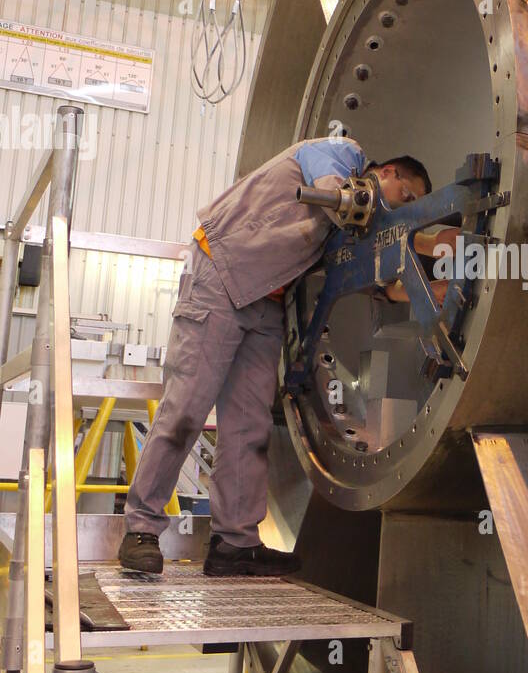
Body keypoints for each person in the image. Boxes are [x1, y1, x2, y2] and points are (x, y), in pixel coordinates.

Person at [119, 136, 446, 577]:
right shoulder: (341, 154)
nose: (402, 207)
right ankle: (141, 528)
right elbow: (326, 179)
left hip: (266, 303)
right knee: (186, 410)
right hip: (220, 274)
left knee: (249, 425)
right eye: (406, 197)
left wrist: (442, 267)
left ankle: (234, 543)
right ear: (387, 172)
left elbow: (379, 281)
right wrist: (405, 230)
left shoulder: (344, 229)